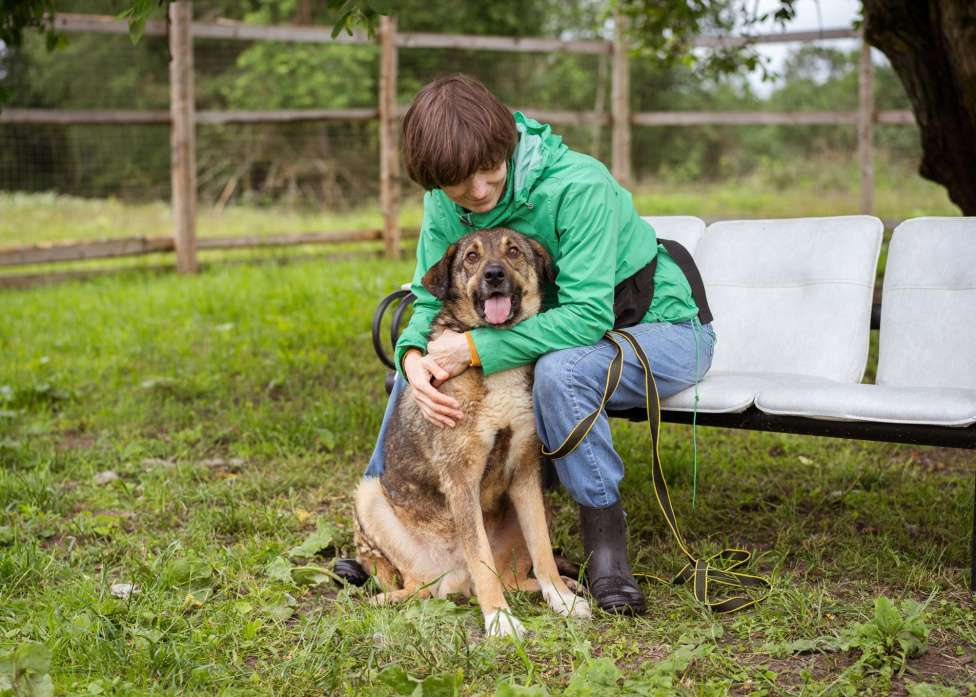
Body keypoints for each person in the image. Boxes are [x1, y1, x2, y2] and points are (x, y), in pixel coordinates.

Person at [361, 74, 715, 614]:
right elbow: (428, 296)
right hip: (557, 331)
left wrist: (475, 351)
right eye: (457, 185)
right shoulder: (443, 199)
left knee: (559, 371)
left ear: (504, 145)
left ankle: (605, 550)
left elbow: (587, 315)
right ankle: (382, 532)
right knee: (429, 370)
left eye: (486, 171)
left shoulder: (579, 185)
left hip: (656, 329)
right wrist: (413, 355)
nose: (476, 193)